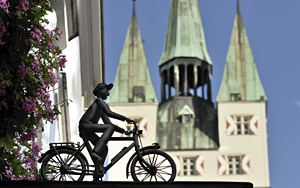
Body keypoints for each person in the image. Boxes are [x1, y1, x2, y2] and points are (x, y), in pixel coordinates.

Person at [78, 83, 130, 181]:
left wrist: (123, 130)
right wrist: (125, 118)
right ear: (100, 91)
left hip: (88, 129)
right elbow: (109, 113)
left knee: (104, 148)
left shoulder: (101, 108)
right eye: (107, 91)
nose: (108, 94)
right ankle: (96, 152)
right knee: (104, 138)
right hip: (86, 125)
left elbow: (108, 123)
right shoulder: (99, 100)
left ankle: (98, 171)